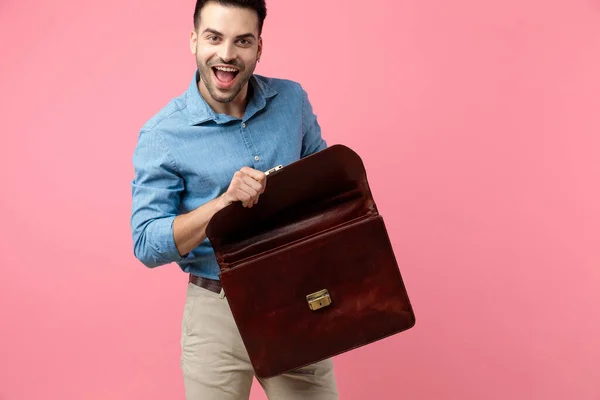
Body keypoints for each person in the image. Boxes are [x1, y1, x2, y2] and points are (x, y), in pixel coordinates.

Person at [130, 0, 339, 398]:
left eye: (242, 41)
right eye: (214, 37)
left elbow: (325, 189)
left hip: (297, 299)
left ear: (259, 47)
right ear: (194, 40)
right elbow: (147, 243)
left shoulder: (292, 102)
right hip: (216, 312)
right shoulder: (162, 135)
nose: (226, 55)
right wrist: (221, 205)